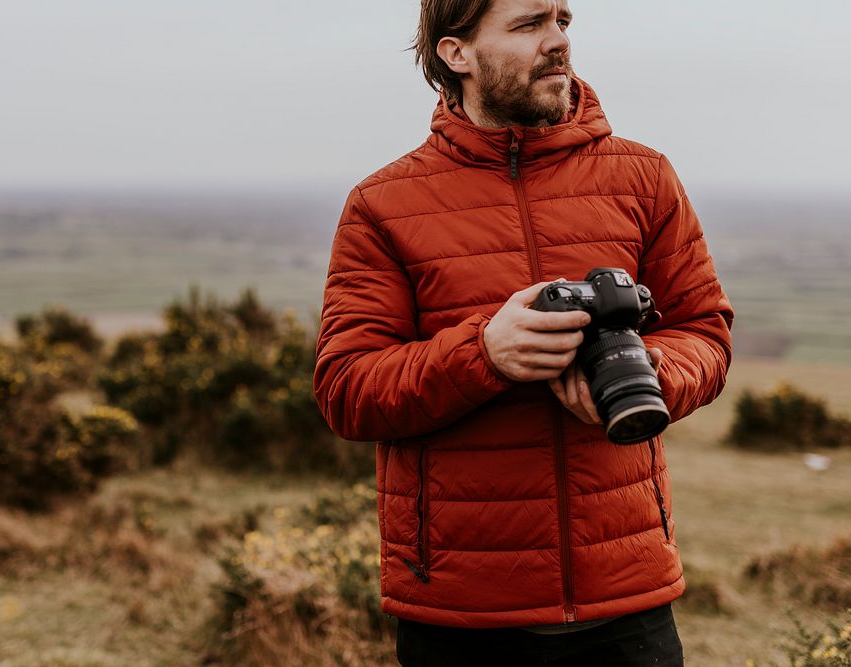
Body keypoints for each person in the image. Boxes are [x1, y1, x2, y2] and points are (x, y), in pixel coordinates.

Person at [313, 0, 733, 664]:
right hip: (461, 609)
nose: (559, 42)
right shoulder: (382, 205)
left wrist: (651, 367)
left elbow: (705, 331)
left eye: (563, 21)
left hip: (626, 599)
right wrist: (484, 353)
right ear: (457, 54)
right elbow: (347, 387)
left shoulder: (645, 177)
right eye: (529, 24)